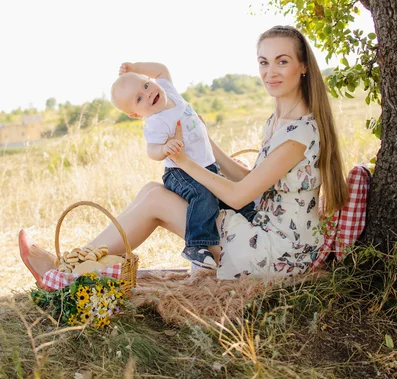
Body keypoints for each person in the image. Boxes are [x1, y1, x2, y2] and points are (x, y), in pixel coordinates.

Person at [19, 26, 348, 286]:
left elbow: (239, 193)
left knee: (156, 201)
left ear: (303, 66)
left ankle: (66, 270)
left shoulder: (299, 134)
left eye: (282, 61)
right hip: (263, 226)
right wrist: (208, 142)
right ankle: (77, 263)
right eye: (264, 62)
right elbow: (254, 182)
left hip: (278, 251)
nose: (270, 72)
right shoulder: (278, 121)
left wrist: (186, 162)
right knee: (152, 190)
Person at [110, 61, 256, 270]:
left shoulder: (169, 92)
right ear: (135, 114)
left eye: (145, 85)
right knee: (203, 195)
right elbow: (151, 150)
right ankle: (196, 246)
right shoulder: (156, 122)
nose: (148, 93)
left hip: (206, 167)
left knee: (224, 192)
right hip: (180, 174)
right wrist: (165, 149)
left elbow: (162, 70)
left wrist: (136, 67)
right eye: (139, 99)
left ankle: (251, 213)